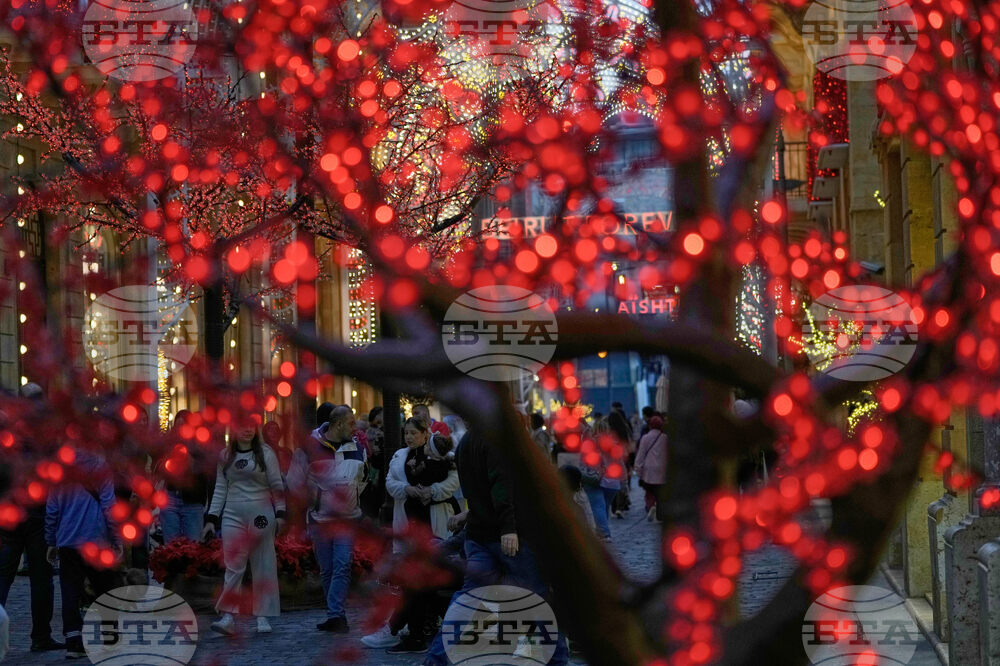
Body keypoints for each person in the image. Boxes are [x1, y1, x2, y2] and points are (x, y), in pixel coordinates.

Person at [423, 429, 570, 666]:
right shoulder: (493, 440)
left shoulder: (467, 442)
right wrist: (508, 528)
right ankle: (557, 659)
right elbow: (501, 488)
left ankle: (436, 658)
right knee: (538, 597)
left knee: (468, 599)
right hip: (506, 536)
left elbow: (480, 492)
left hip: (480, 535)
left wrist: (471, 515)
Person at [286, 405, 369, 633]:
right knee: (328, 569)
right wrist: (311, 496)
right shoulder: (309, 448)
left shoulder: (358, 447)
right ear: (338, 424)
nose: (356, 428)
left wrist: (354, 496)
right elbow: (294, 482)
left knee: (342, 565)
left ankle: (336, 615)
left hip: (347, 518)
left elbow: (364, 477)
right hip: (320, 518)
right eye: (351, 423)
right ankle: (334, 614)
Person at [202, 418, 286, 636]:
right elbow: (220, 488)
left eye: (251, 425)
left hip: (261, 514)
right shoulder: (225, 456)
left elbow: (277, 485)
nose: (247, 429)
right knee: (233, 564)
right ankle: (228, 615)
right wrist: (211, 518)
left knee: (263, 562)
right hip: (232, 513)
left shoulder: (267, 454)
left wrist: (280, 513)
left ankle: (263, 615)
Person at [0, 383, 62, 654]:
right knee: (41, 578)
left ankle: (40, 635)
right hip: (36, 514)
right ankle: (41, 636)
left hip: (11, 513)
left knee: (4, 577)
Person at [45, 450, 120, 659]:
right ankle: (110, 639)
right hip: (97, 539)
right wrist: (116, 539)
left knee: (70, 592)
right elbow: (109, 505)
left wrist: (51, 540)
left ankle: (73, 642)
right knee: (105, 590)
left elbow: (52, 508)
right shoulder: (101, 464)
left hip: (68, 539)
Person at [156, 410, 210, 543]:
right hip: (171, 497)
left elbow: (202, 471)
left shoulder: (200, 445)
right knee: (171, 547)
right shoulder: (169, 445)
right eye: (178, 427)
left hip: (193, 501)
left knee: (192, 546)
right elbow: (160, 469)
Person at [634, 416, 668, 522]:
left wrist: (638, 469)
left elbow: (641, 454)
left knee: (650, 491)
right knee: (661, 492)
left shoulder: (645, 438)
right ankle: (659, 514)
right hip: (662, 468)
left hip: (648, 469)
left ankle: (651, 506)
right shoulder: (665, 438)